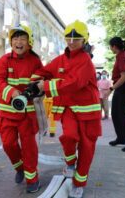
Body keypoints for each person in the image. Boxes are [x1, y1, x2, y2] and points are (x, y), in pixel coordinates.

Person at [33, 20, 102, 198]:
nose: (71, 41)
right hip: (69, 108)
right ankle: (70, 163)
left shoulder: (86, 60)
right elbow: (45, 71)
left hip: (88, 111)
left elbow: (75, 83)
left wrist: (46, 85)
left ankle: (79, 183)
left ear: (84, 40)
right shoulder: (61, 59)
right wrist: (34, 81)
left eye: (76, 38)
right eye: (68, 38)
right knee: (69, 136)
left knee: (87, 147)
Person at [0, 24, 42, 193]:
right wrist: (13, 93)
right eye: (15, 39)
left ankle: (32, 178)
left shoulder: (35, 61)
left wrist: (33, 89)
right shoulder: (4, 61)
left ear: (29, 43)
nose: (18, 42)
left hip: (27, 114)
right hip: (7, 114)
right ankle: (19, 167)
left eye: (22, 39)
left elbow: (40, 80)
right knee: (8, 144)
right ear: (11, 42)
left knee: (29, 147)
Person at [104, 37, 125, 152]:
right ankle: (121, 138)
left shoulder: (123, 57)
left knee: (123, 116)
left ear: (114, 46)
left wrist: (111, 88)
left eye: (110, 46)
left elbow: (123, 78)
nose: (110, 48)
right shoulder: (119, 56)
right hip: (120, 88)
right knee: (115, 114)